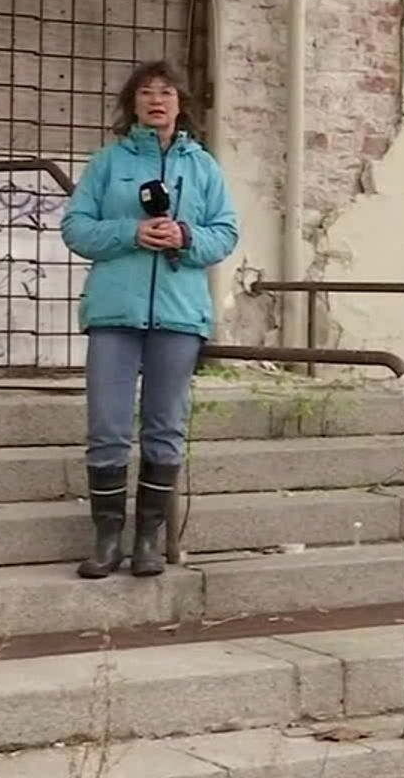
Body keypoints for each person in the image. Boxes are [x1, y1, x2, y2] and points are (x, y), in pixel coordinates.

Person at [60, 62, 239, 578]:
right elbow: (75, 228)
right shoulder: (107, 163)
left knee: (165, 427)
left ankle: (147, 541)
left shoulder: (203, 167)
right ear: (132, 104)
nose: (156, 100)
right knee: (108, 426)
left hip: (179, 315)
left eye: (166, 92)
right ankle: (106, 541)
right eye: (145, 93)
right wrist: (129, 234)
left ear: (181, 104)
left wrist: (186, 236)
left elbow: (226, 233)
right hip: (114, 312)